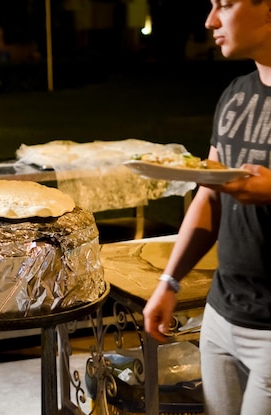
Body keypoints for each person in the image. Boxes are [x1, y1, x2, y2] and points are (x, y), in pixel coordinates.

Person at [142, 1, 271, 414]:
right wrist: (170, 281)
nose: (210, 20)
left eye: (225, 4)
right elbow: (208, 195)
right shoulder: (235, 94)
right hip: (221, 314)